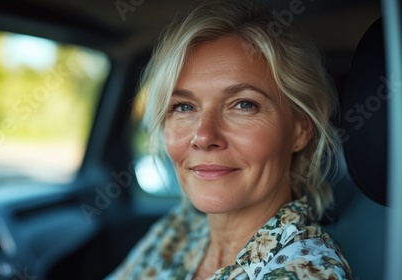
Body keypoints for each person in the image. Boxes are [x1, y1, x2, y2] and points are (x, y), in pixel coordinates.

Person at [109, 1, 352, 279]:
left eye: (244, 105)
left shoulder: (305, 270)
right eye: (184, 107)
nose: (204, 136)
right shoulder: (176, 231)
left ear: (300, 130)